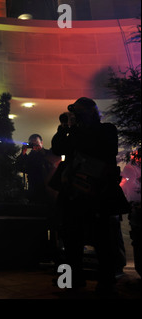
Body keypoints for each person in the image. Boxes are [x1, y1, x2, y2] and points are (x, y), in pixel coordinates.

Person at [51, 97, 129, 296]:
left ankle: (106, 282)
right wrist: (65, 126)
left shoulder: (106, 130)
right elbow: (58, 148)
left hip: (98, 195)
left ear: (92, 113)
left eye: (81, 112)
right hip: (74, 195)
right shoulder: (74, 131)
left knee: (103, 242)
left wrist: (77, 128)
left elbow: (102, 148)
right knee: (70, 242)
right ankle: (69, 280)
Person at [15, 133, 60, 204]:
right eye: (32, 144)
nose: (34, 146)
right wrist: (23, 153)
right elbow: (20, 167)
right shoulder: (30, 156)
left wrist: (41, 152)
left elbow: (54, 163)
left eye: (36, 144)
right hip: (33, 188)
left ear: (41, 143)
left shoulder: (48, 153)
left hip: (47, 187)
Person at [120, 149, 141, 278]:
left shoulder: (130, 168)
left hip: (134, 206)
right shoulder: (131, 168)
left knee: (137, 238)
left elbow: (122, 184)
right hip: (135, 205)